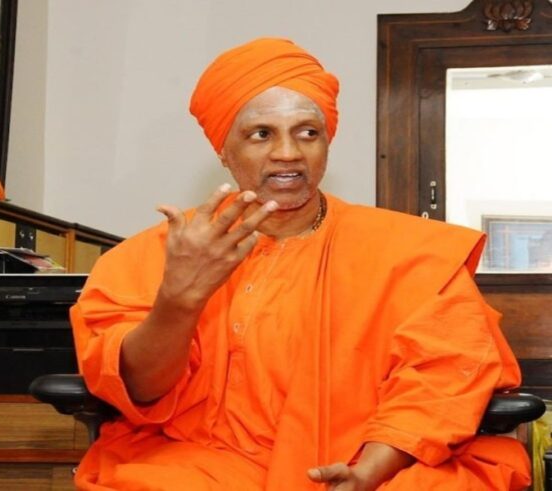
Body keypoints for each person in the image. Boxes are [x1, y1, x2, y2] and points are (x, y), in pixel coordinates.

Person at [69, 38, 530, 490]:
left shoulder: (410, 252)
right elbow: (137, 388)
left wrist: (370, 471)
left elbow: (444, 376)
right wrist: (178, 300)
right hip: (205, 461)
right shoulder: (149, 256)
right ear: (223, 150)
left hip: (371, 459)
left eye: (307, 132)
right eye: (261, 134)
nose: (288, 152)